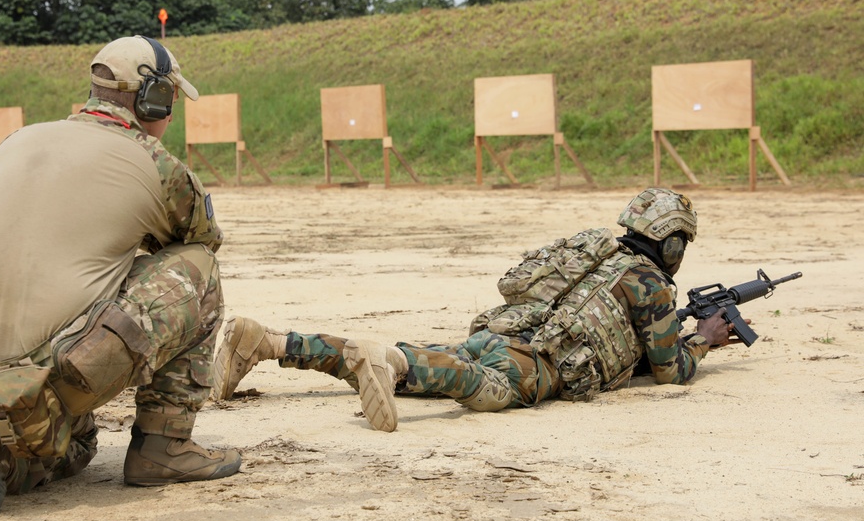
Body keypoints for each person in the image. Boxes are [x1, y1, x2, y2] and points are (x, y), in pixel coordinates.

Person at [0, 35, 241, 516]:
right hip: (64, 362)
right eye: (169, 99)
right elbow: (200, 240)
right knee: (196, 266)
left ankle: (7, 445)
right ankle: (163, 447)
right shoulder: (158, 165)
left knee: (81, 449)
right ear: (153, 97)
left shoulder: (14, 143)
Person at [213, 188, 739, 433]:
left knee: (427, 361)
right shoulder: (650, 285)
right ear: (672, 245)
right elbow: (669, 371)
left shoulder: (592, 248)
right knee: (479, 391)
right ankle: (390, 364)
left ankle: (272, 342)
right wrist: (705, 339)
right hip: (524, 366)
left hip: (495, 334)